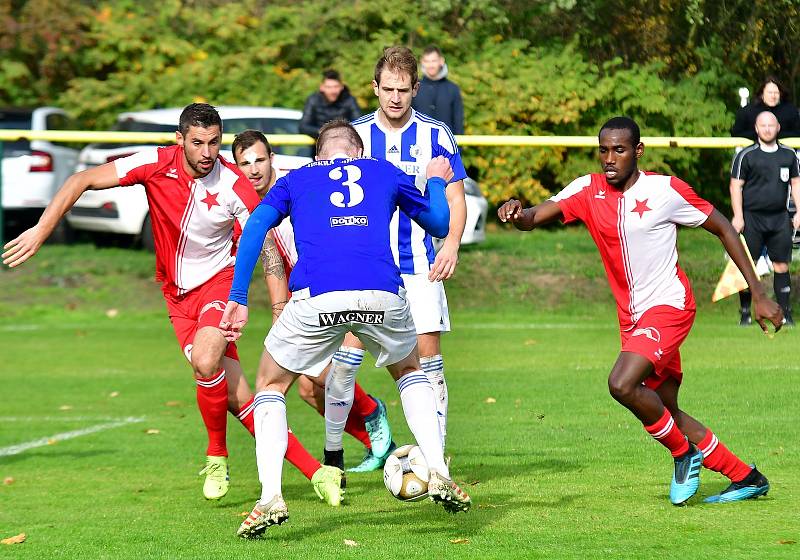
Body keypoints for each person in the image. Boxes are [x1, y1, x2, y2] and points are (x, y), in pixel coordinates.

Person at [1, 104, 343, 506]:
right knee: (238, 399)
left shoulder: (233, 184)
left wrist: (277, 303)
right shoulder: (154, 163)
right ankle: (315, 471)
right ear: (180, 140)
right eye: (198, 142)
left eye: (215, 143)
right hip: (176, 295)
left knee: (205, 359)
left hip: (219, 284)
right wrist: (42, 230)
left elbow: (266, 242)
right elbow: (82, 179)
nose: (207, 152)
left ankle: (216, 455)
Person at [498, 116, 781, 506]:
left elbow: (724, 228)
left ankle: (683, 456)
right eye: (603, 150)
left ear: (638, 151)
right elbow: (533, 218)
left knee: (622, 384)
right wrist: (517, 212)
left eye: (619, 149)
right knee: (666, 411)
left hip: (669, 306)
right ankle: (746, 476)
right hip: (633, 319)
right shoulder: (587, 189)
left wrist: (759, 292)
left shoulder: (664, 190)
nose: (609, 158)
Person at [221, 120, 471, 538]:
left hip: (318, 296)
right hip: (382, 294)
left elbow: (255, 229)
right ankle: (439, 471)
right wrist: (433, 181)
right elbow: (440, 225)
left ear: (319, 156)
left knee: (268, 384)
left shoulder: (297, 178)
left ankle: (269, 497)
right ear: (360, 153)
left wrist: (238, 296)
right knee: (410, 371)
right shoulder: (383, 171)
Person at [231, 129, 395, 472]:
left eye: (259, 159)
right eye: (244, 163)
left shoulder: (300, 182)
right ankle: (379, 446)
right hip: (306, 294)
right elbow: (273, 260)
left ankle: (371, 414)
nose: (253, 169)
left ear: (272, 158)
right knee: (308, 390)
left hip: (345, 281)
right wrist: (279, 310)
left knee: (325, 375)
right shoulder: (248, 203)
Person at [730, 111, 800, 326]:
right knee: (746, 265)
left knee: (781, 265)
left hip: (779, 218)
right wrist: (738, 216)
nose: (767, 129)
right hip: (752, 218)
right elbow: (736, 186)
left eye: (771, 125)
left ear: (778, 127)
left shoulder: (789, 155)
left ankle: (785, 313)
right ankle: (745, 313)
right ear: (756, 128)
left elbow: (795, 183)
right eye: (763, 125)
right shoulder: (746, 155)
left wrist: (799, 211)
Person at [412, 45, 464, 135]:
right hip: (418, 145)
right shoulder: (414, 87)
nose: (430, 65)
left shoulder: (453, 89)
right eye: (427, 61)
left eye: (433, 61)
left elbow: (458, 122)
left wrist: (457, 147)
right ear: (422, 62)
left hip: (446, 145)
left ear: (441, 61)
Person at [731, 76, 800, 142]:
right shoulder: (747, 111)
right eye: (769, 92)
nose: (773, 96)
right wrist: (760, 135)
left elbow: (797, 133)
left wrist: (774, 135)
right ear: (762, 94)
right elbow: (736, 133)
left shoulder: (791, 111)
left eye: (776, 93)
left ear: (781, 94)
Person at [299, 69, 362, 139]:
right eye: (329, 87)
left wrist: (340, 132)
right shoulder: (313, 100)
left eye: (336, 86)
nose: (333, 91)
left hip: (344, 145)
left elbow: (359, 124)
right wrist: (326, 132)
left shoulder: (349, 100)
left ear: (342, 87)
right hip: (319, 147)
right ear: (321, 87)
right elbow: (303, 127)